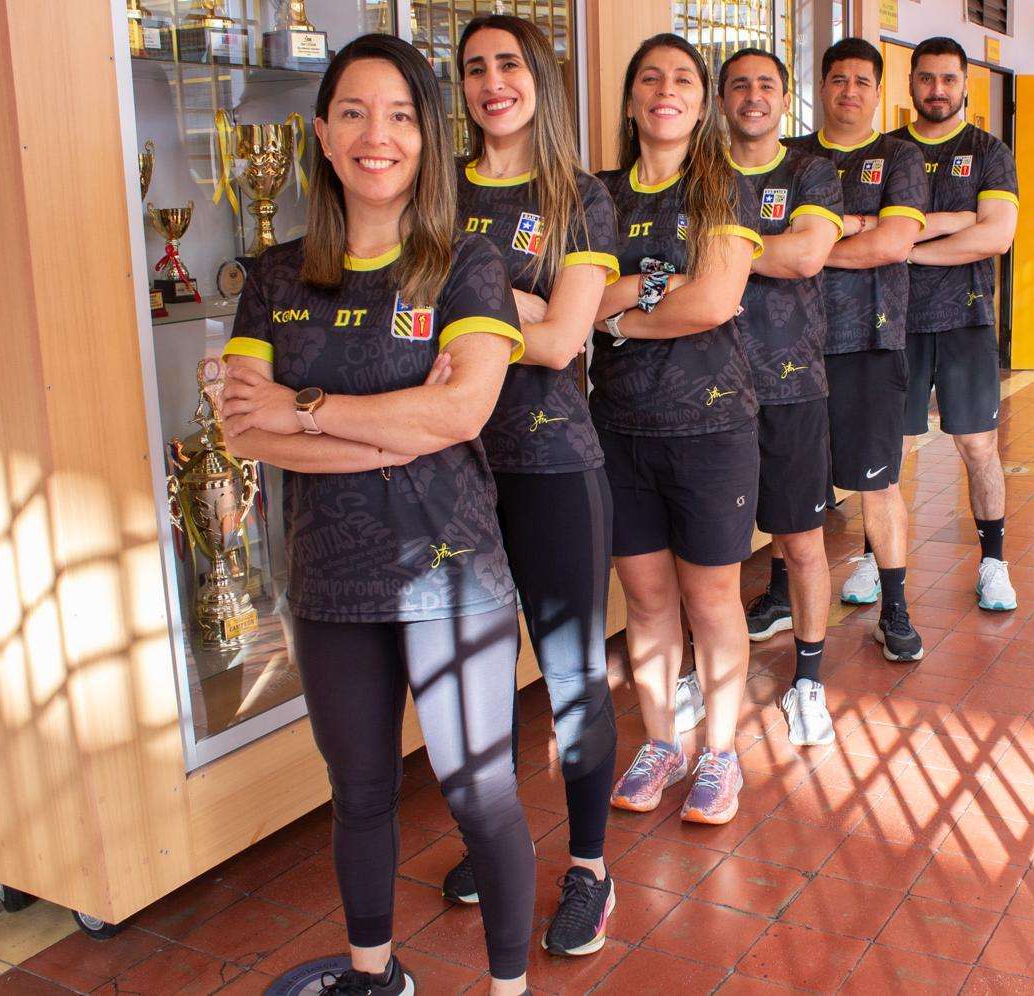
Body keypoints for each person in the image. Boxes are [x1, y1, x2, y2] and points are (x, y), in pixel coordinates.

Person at [219, 34, 534, 996]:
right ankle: (373, 975)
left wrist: (307, 407)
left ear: (427, 137)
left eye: (399, 116)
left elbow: (462, 412)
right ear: (321, 133)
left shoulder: (467, 263)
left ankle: (509, 986)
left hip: (452, 569)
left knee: (479, 791)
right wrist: (392, 433)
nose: (376, 136)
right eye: (353, 113)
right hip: (331, 576)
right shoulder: (274, 278)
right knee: (357, 793)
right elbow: (244, 430)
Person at [443, 14, 621, 958]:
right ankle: (500, 843)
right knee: (478, 677)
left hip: (551, 463)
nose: (491, 82)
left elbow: (559, 343)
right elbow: (400, 313)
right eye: (474, 68)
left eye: (508, 64)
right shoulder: (435, 187)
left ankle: (590, 867)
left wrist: (470, 301)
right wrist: (521, 300)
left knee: (573, 677)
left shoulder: (577, 196)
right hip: (450, 468)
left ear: (540, 79)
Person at [593, 33, 764, 824]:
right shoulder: (598, 197)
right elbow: (579, 297)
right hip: (619, 427)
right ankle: (663, 742)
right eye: (651, 78)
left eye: (684, 80)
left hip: (710, 427)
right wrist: (665, 280)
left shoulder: (724, 188)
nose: (666, 90)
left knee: (711, 598)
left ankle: (720, 753)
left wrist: (622, 315)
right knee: (647, 598)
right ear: (632, 99)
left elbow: (716, 302)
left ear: (701, 104)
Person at [786, 37, 929, 663]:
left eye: (862, 81)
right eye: (838, 79)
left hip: (871, 338)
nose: (849, 91)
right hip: (789, 342)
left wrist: (810, 247)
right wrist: (855, 226)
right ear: (821, 87)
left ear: (877, 91)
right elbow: (766, 236)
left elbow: (894, 244)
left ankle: (894, 607)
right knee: (792, 479)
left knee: (879, 481)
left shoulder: (899, 156)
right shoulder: (791, 155)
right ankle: (779, 592)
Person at [719, 48, 844, 744]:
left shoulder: (809, 172)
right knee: (710, 554)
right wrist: (766, 248)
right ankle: (711, 675)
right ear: (722, 100)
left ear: (784, 97)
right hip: (706, 389)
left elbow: (806, 255)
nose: (753, 96)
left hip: (793, 385)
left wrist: (720, 255)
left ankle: (809, 681)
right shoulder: (700, 172)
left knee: (801, 543)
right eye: (739, 85)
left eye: (765, 84)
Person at [891, 36, 1019, 611]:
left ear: (966, 83)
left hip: (967, 319)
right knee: (891, 448)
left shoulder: (989, 151)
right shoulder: (890, 150)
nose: (937, 90)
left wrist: (911, 248)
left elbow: (997, 235)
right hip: (893, 322)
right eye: (927, 78)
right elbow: (869, 227)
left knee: (977, 444)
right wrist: (958, 219)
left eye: (948, 79)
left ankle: (994, 563)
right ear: (911, 82)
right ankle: (875, 559)